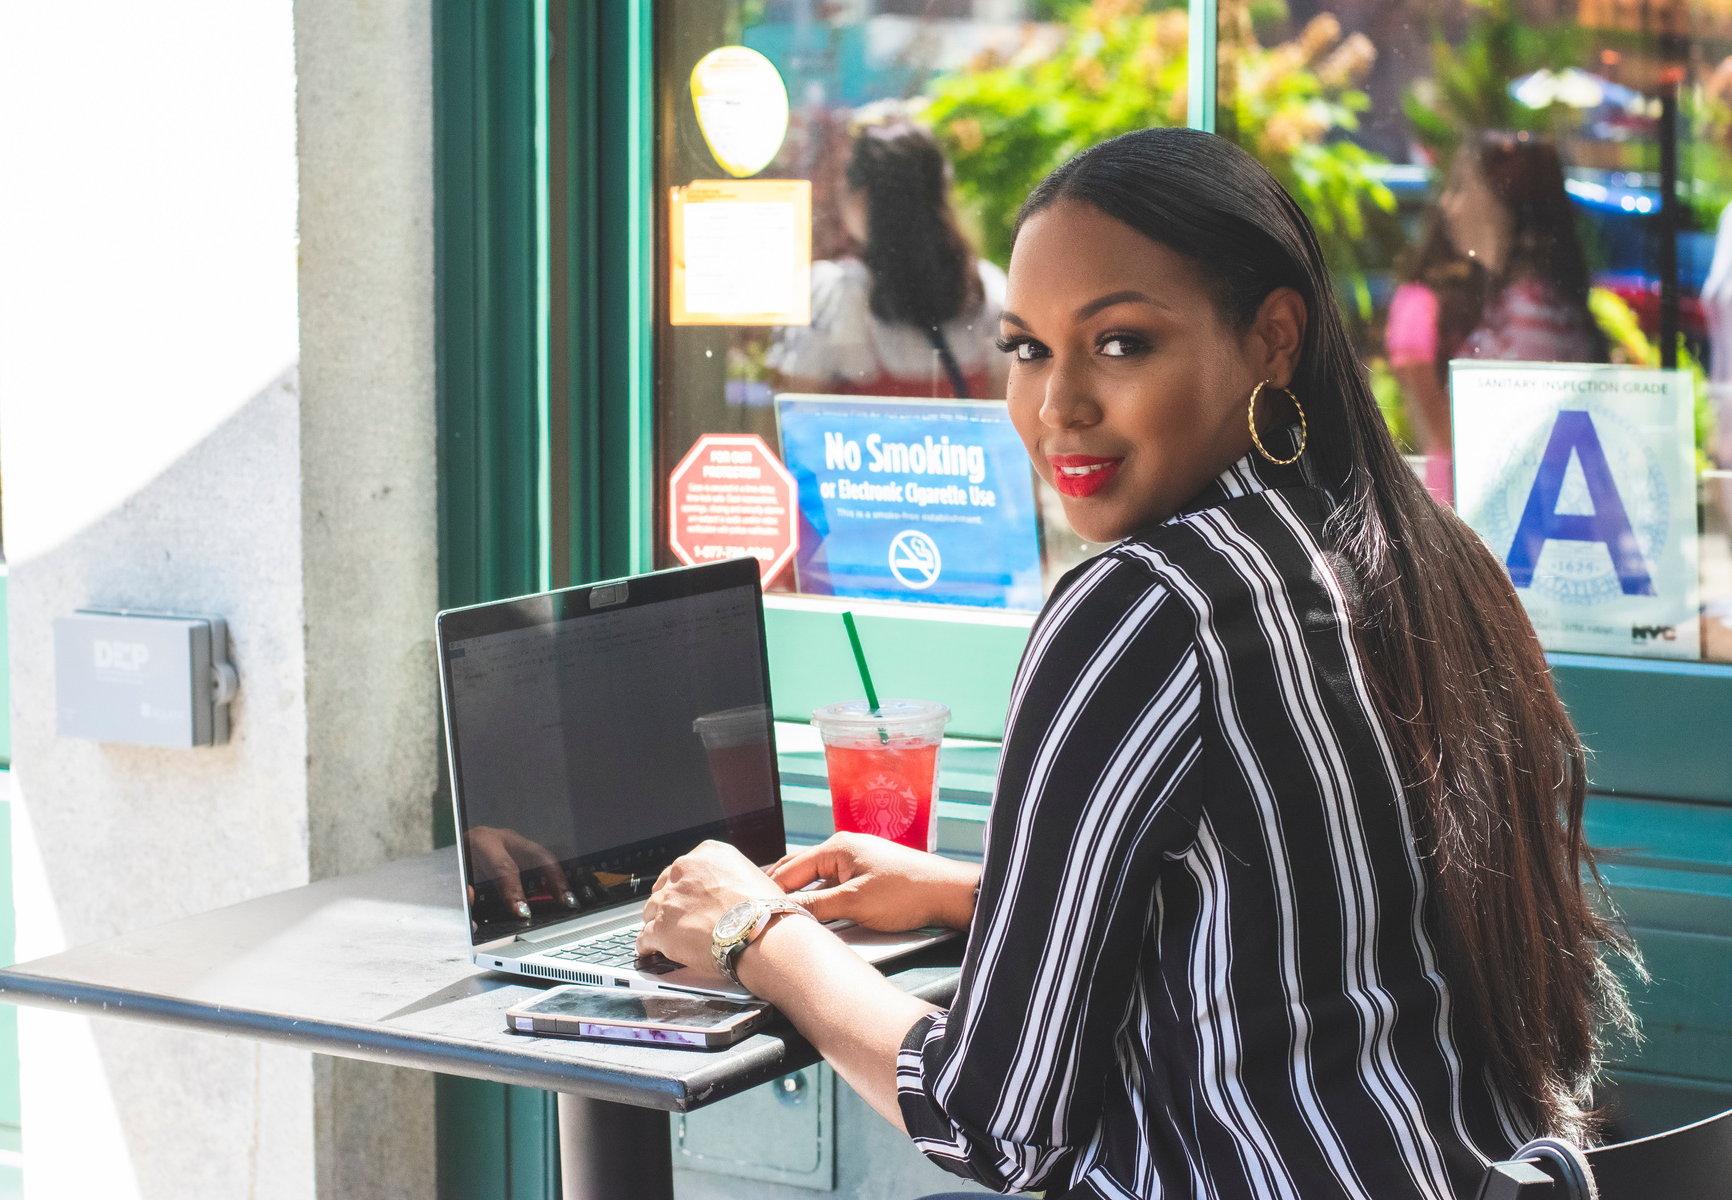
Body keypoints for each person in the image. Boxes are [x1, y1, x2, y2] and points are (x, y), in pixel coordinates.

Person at [640, 128, 1635, 1199]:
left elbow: (995, 1122)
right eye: (1026, 347)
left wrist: (756, 930)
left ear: (1273, 340)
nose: (1057, 403)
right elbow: (1327, 921)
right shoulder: (1423, 551)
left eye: (1119, 343)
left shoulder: (1148, 609)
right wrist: (987, 899)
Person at [1387, 132, 1606, 503]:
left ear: (1498, 200)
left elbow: (1505, 452)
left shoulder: (1530, 314)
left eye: (1462, 187)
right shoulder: (1513, 305)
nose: (1448, 205)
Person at [770, 121, 1007, 400]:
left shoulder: (831, 293)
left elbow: (793, 421)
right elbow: (1004, 418)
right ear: (943, 194)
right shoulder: (988, 290)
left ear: (859, 198)